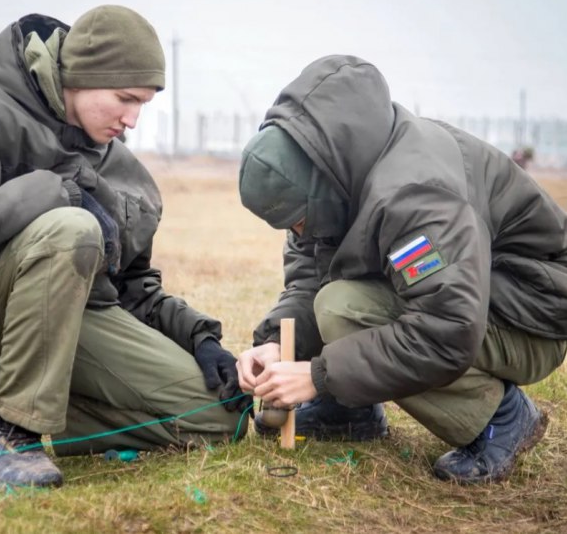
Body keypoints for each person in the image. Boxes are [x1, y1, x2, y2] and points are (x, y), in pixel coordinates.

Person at [0, 5, 249, 490]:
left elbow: (132, 289)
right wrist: (58, 191)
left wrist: (200, 339)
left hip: (66, 322)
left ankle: (39, 404)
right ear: (84, 74)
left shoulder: (125, 170)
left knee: (219, 419)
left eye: (144, 104)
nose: (133, 119)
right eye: (124, 98)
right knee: (70, 228)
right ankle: (11, 436)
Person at [236, 55, 567, 484]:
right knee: (334, 300)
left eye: (298, 219)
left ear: (319, 185)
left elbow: (446, 327)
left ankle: (500, 416)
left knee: (344, 309)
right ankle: (348, 411)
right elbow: (309, 279)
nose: (298, 231)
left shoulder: (414, 195)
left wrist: (318, 376)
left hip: (530, 317)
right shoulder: (333, 176)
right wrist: (279, 346)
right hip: (477, 301)